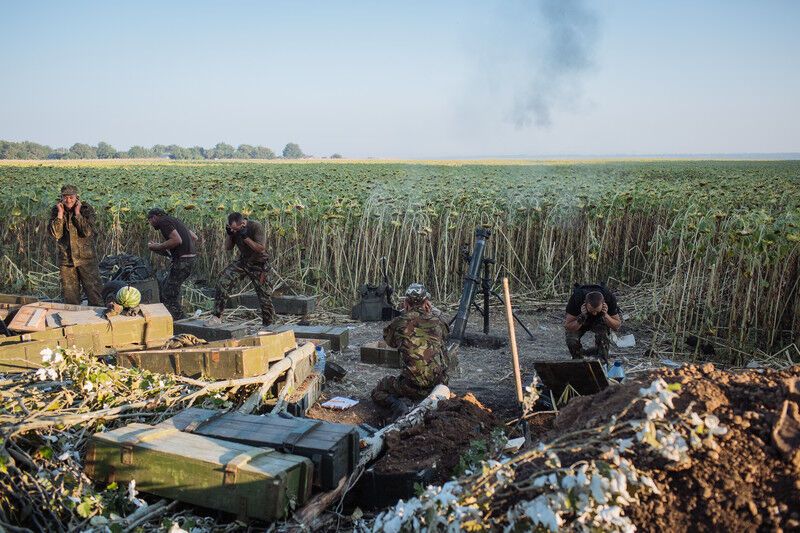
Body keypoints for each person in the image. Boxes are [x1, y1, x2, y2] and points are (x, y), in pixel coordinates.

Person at [371, 283, 449, 417]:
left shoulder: (399, 322)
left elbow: (391, 342)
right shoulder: (438, 321)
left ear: (406, 302)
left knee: (378, 391)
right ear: (427, 302)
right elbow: (446, 334)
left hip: (410, 386)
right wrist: (432, 314)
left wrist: (405, 317)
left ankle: (398, 406)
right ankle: (434, 398)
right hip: (438, 383)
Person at [211, 212, 275, 326]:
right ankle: (217, 316)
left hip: (259, 263)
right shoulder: (233, 230)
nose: (235, 231)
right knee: (223, 280)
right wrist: (230, 235)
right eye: (232, 229)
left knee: (264, 296)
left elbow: (260, 248)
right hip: (244, 261)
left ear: (243, 223)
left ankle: (268, 324)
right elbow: (228, 248)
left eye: (237, 229)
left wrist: (245, 237)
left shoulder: (255, 226)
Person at [47, 184, 103, 305]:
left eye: (71, 197)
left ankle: (97, 321)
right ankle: (75, 321)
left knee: (95, 294)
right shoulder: (56, 210)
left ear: (77, 197)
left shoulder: (86, 209)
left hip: (86, 259)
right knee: (70, 297)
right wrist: (60, 214)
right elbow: (55, 234)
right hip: (67, 260)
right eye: (65, 197)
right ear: (61, 198)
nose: (68, 200)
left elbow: (87, 231)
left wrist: (77, 214)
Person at [146, 208, 198, 319]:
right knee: (172, 289)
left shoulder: (163, 222)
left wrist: (157, 246)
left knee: (168, 295)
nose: (150, 224)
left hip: (182, 262)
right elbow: (194, 237)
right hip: (190, 260)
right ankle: (180, 317)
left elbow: (177, 240)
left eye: (149, 221)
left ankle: (179, 321)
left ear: (154, 217)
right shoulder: (175, 220)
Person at [564, 283, 622, 362]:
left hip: (600, 321)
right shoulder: (576, 299)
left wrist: (606, 315)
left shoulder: (609, 298)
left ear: (604, 304)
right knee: (571, 339)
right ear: (585, 304)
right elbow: (568, 326)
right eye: (591, 311)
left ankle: (602, 359)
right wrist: (581, 318)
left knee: (603, 336)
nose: (594, 313)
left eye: (597, 311)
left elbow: (616, 326)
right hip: (582, 319)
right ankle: (578, 359)